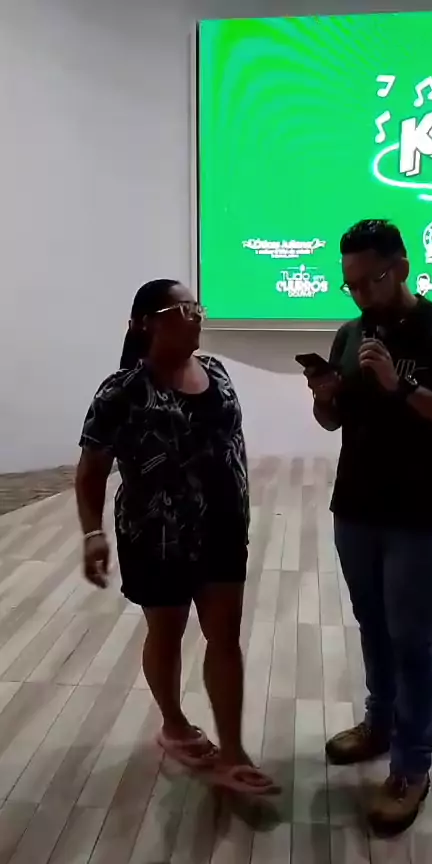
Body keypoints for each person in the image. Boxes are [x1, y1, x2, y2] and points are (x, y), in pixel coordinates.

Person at [306, 219, 432, 835]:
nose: (360, 295)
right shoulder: (350, 333)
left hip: (421, 516)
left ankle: (412, 766)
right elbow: (333, 422)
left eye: (371, 280)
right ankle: (379, 724)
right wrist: (325, 396)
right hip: (356, 509)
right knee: (374, 627)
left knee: (414, 639)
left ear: (402, 268)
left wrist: (400, 385)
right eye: (350, 284)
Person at [75, 279, 278, 796]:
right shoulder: (121, 391)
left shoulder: (216, 371)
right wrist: (92, 533)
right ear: (147, 323)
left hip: (224, 530)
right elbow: (91, 468)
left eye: (196, 306)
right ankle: (173, 722)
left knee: (224, 637)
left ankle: (233, 752)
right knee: (166, 634)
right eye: (183, 308)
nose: (196, 315)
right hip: (155, 537)